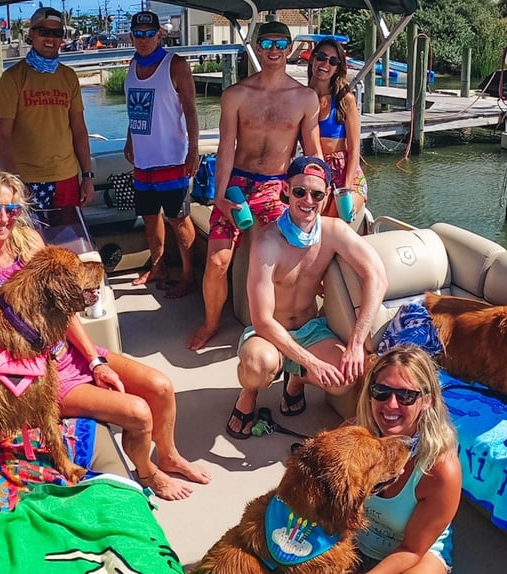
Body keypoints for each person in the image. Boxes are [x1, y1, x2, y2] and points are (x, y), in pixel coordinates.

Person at [0, 170, 211, 500]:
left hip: (65, 352)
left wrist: (94, 361)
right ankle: (148, 474)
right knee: (138, 413)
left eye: (12, 209)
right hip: (30, 379)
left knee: (160, 387)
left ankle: (169, 456)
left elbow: (63, 311)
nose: (3, 219)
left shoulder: (29, 243)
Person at [226, 156, 387, 438]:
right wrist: (312, 363)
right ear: (286, 190)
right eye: (300, 191)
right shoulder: (267, 242)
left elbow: (377, 276)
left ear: (327, 195)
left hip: (311, 329)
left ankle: (296, 380)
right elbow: (262, 320)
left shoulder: (334, 231)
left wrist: (355, 344)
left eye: (317, 194)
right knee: (257, 365)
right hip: (269, 334)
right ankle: (248, 393)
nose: (308, 200)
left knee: (344, 378)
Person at [186, 20, 323, 350]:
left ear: (290, 49)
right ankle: (211, 323)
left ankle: (278, 324)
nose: (274, 50)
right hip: (238, 184)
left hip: (277, 187)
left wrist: (316, 196)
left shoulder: (305, 98)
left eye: (281, 44)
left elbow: (312, 154)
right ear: (258, 48)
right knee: (217, 261)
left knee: (284, 259)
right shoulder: (236, 95)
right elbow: (225, 148)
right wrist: (219, 196)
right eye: (268, 44)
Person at [328, 345, 462, 574]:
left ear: (427, 400)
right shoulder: (351, 438)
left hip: (413, 553)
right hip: (354, 541)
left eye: (406, 396)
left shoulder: (441, 469)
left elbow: (412, 549)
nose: (391, 405)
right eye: (382, 391)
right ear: (370, 393)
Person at [123, 11, 200, 299]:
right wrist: (130, 139)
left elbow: (191, 111)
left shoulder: (176, 65)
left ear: (160, 34)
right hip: (143, 160)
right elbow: (136, 109)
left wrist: (193, 150)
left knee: (178, 219)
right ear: (132, 36)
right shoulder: (132, 65)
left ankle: (189, 275)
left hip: (172, 159)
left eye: (149, 33)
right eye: (138, 34)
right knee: (149, 216)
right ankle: (158, 267)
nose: (143, 39)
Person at [0, 7, 95, 211]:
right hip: (26, 181)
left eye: (57, 33)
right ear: (31, 34)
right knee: (29, 233)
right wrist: (14, 181)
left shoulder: (69, 77)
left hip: (66, 176)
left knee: (68, 232)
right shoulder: (12, 78)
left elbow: (79, 130)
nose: (50, 38)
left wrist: (87, 176)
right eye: (44, 32)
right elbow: (2, 135)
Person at [307, 37, 367, 220]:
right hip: (316, 170)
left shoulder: (345, 99)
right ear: (312, 58)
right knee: (314, 220)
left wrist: (346, 186)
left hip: (346, 171)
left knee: (338, 215)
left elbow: (354, 148)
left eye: (333, 61)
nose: (325, 64)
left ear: (337, 68)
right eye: (321, 57)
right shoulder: (301, 98)